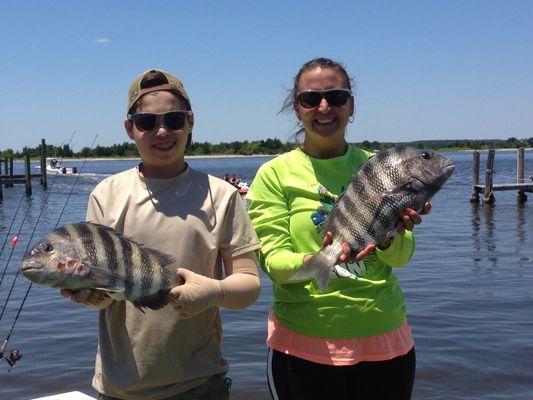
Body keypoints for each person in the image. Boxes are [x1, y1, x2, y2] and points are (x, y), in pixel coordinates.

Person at [61, 69, 261, 400]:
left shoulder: (222, 195)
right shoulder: (105, 194)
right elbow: (102, 289)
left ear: (190, 122)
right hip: (119, 387)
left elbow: (249, 285)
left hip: (200, 384)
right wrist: (87, 295)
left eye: (174, 119)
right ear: (130, 128)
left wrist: (214, 291)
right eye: (147, 122)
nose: (162, 131)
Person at [247, 58, 430, 400]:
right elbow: (272, 262)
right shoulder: (274, 174)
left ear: (351, 105)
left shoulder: (381, 165)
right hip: (303, 347)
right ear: (297, 109)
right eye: (310, 98)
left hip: (386, 340)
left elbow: (402, 258)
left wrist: (392, 235)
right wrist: (320, 260)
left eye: (337, 96)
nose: (324, 106)